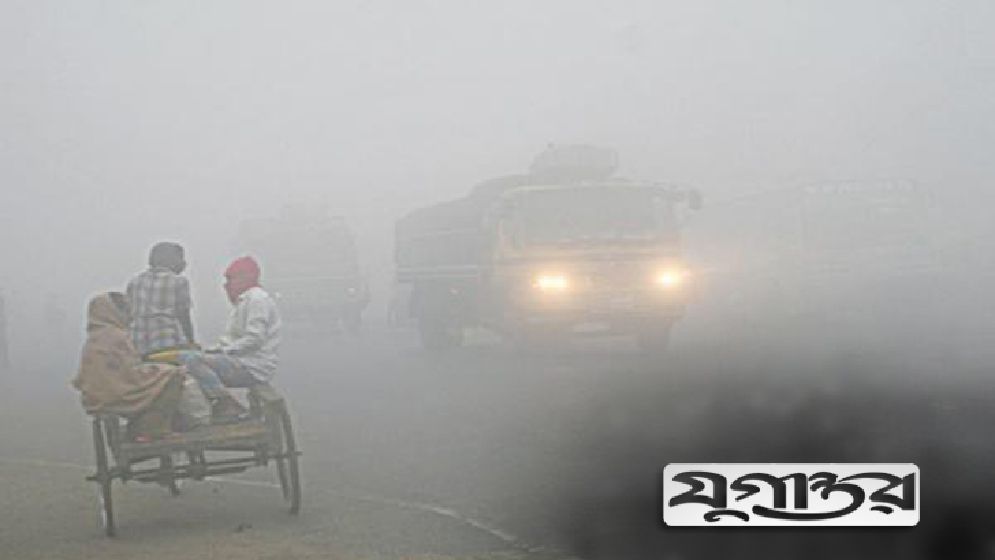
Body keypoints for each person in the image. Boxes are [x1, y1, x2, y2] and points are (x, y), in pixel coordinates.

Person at [72, 292, 184, 441]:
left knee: (160, 373)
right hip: (117, 393)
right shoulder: (116, 336)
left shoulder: (94, 338)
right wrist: (162, 369)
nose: (129, 316)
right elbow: (131, 374)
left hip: (96, 396)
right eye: (124, 311)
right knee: (173, 374)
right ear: (112, 312)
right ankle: (154, 427)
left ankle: (143, 424)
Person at [182, 256, 281, 422]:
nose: (226, 285)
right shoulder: (245, 301)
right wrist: (214, 350)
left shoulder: (257, 300)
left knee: (192, 360)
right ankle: (211, 408)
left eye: (230, 279)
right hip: (241, 362)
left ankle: (226, 403)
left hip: (252, 367)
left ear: (245, 278)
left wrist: (223, 351)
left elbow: (255, 338)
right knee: (187, 358)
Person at [126, 242, 196, 357]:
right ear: (171, 260)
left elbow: (128, 316)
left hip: (137, 343)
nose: (184, 263)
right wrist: (191, 342)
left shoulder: (134, 282)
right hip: (167, 342)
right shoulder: (179, 281)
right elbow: (183, 315)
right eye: (181, 258)